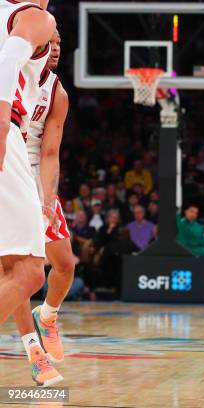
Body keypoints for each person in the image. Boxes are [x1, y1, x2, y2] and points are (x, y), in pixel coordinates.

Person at [0, 0, 59, 387]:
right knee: (28, 270)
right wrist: (2, 119)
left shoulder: (56, 90)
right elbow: (7, 62)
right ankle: (35, 348)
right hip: (9, 131)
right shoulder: (35, 15)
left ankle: (36, 352)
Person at [11, 29, 73, 386]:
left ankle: (47, 316)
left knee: (64, 264)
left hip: (34, 172)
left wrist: (48, 198)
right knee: (17, 269)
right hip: (8, 172)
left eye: (60, 44)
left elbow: (50, 152)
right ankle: (34, 352)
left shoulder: (57, 92)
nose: (55, 49)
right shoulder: (9, 72)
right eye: (49, 41)